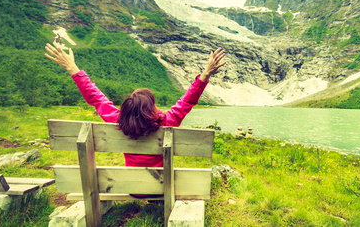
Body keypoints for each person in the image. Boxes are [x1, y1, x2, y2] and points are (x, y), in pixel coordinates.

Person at [44, 41, 226, 170]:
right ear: (152, 108)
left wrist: (72, 68)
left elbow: (96, 99)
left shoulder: (118, 121)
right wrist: (205, 74)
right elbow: (187, 100)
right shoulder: (167, 121)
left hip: (131, 188)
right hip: (160, 186)